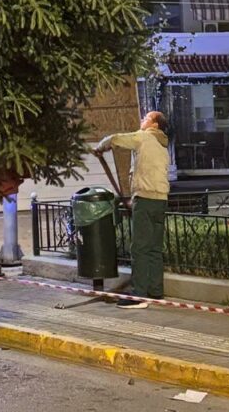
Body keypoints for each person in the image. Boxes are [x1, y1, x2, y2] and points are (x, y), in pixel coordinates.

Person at [94, 110, 170, 309]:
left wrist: (101, 146)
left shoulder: (145, 138)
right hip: (160, 200)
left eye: (146, 118)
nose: (142, 120)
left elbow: (118, 139)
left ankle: (138, 295)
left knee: (140, 248)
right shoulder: (163, 145)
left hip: (145, 199)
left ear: (154, 125)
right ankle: (156, 292)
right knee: (154, 248)